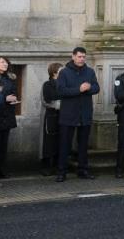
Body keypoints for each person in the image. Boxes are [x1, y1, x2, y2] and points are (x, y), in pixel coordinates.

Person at [56, 47, 100, 182]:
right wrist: (79, 89)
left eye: (84, 57)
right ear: (73, 56)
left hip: (85, 113)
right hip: (69, 114)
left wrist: (89, 88)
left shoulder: (90, 71)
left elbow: (96, 88)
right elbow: (61, 91)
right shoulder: (64, 72)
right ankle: (62, 172)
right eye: (80, 56)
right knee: (65, 145)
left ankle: (83, 170)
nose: (82, 59)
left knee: (83, 145)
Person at [0, 56, 18, 179]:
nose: (5, 64)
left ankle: (2, 170)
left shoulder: (11, 78)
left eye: (6, 62)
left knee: (3, 146)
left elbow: (13, 92)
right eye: (2, 62)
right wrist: (5, 99)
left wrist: (14, 98)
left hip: (8, 114)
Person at [40, 63, 62, 176]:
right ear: (54, 72)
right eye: (61, 71)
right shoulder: (47, 84)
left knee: (61, 140)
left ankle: (59, 165)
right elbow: (45, 100)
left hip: (63, 116)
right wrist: (58, 104)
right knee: (49, 141)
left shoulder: (65, 84)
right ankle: (47, 166)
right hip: (51, 116)